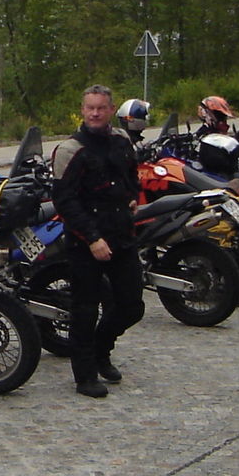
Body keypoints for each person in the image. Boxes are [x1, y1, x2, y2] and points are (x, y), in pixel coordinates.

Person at [51, 84, 143, 398]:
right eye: (90, 108)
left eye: (101, 108)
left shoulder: (122, 140)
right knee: (85, 310)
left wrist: (133, 197)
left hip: (121, 234)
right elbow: (64, 201)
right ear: (82, 110)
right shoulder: (69, 150)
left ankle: (102, 350)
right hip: (85, 240)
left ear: (111, 110)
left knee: (132, 306)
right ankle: (85, 375)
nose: (95, 113)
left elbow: (132, 175)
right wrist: (92, 239)